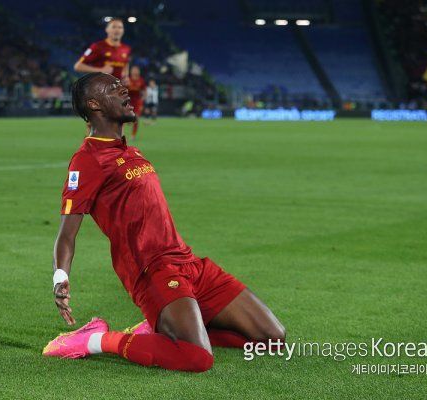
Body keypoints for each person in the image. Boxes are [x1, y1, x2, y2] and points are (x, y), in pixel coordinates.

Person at [43, 73, 285, 372]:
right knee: (197, 358)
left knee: (273, 338)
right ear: (94, 104)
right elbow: (67, 233)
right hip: (152, 270)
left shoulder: (129, 150)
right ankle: (96, 339)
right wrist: (60, 277)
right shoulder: (88, 160)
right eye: (112, 88)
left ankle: (168, 331)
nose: (124, 89)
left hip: (189, 263)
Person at [73, 18, 131, 82]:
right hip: (100, 87)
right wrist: (101, 70)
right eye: (114, 27)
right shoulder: (97, 46)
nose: (117, 30)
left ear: (123, 30)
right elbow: (78, 66)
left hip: (117, 87)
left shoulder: (126, 48)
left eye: (120, 27)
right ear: (107, 30)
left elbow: (126, 63)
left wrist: (126, 76)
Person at [126, 66, 145, 139]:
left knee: (136, 118)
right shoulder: (128, 79)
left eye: (136, 70)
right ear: (131, 71)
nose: (135, 71)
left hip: (137, 101)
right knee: (127, 118)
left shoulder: (141, 80)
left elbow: (144, 91)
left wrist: (142, 100)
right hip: (128, 101)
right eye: (134, 70)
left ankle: (133, 135)